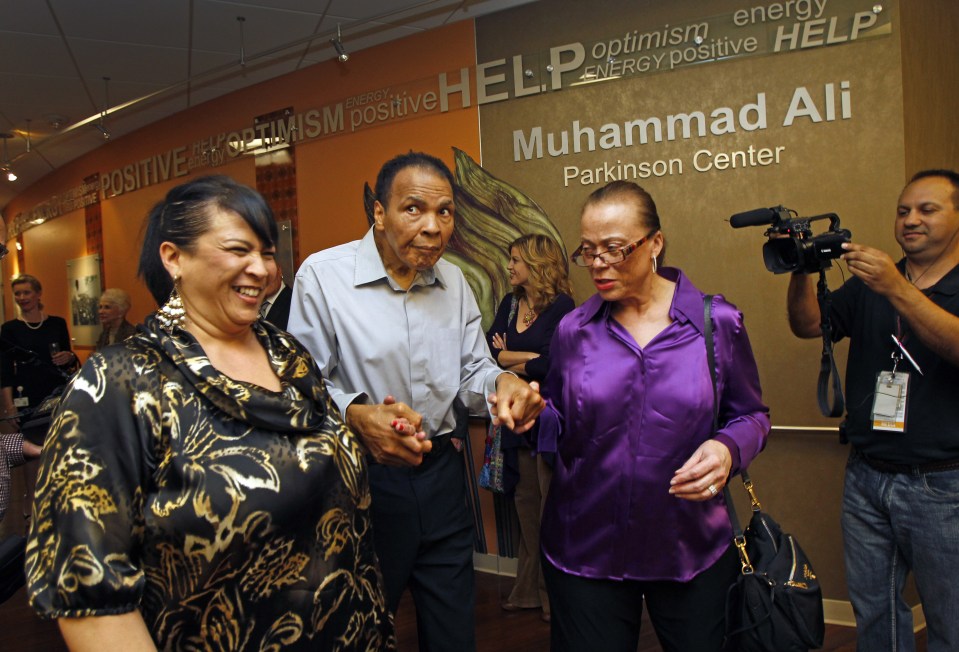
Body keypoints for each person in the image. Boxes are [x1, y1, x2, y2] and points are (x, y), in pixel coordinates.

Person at [25, 175, 394, 651]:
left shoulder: (288, 355)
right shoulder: (121, 383)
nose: (260, 268)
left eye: (265, 252)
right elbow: (90, 593)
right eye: (239, 250)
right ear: (173, 257)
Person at [287, 151, 544, 651]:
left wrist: (501, 387)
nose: (432, 227)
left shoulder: (456, 283)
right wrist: (357, 417)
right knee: (359, 629)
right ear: (379, 213)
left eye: (444, 212)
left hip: (442, 477)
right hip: (362, 484)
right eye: (413, 210)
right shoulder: (322, 277)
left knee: (453, 631)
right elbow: (303, 385)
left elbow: (473, 369)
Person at [537, 181, 769, 652]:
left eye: (615, 249)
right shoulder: (572, 331)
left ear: (655, 243)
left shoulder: (715, 323)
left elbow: (752, 416)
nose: (599, 263)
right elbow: (559, 431)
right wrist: (531, 414)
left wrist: (728, 449)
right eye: (588, 250)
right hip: (585, 548)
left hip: (690, 547)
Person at [786, 169, 959, 652]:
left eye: (927, 209)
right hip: (866, 475)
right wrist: (801, 268)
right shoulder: (870, 282)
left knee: (951, 620)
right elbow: (809, 324)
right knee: (875, 615)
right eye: (904, 210)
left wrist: (897, 288)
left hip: (943, 483)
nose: (911, 220)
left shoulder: (889, 280)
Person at [485, 233, 574, 623]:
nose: (509, 266)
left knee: (552, 510)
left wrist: (512, 359)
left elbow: (555, 363)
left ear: (537, 265)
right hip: (515, 422)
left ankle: (554, 598)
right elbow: (490, 353)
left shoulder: (563, 306)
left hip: (550, 423)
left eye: (516, 259)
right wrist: (524, 358)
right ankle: (527, 591)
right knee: (526, 508)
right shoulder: (508, 305)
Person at [0, 274, 77, 432]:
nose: (22, 297)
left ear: (38, 294)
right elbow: (5, 370)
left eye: (26, 292)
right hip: (25, 394)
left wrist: (69, 356)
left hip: (55, 391)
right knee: (32, 442)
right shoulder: (9, 329)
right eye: (17, 293)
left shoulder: (57, 324)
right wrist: (9, 407)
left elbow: (69, 357)